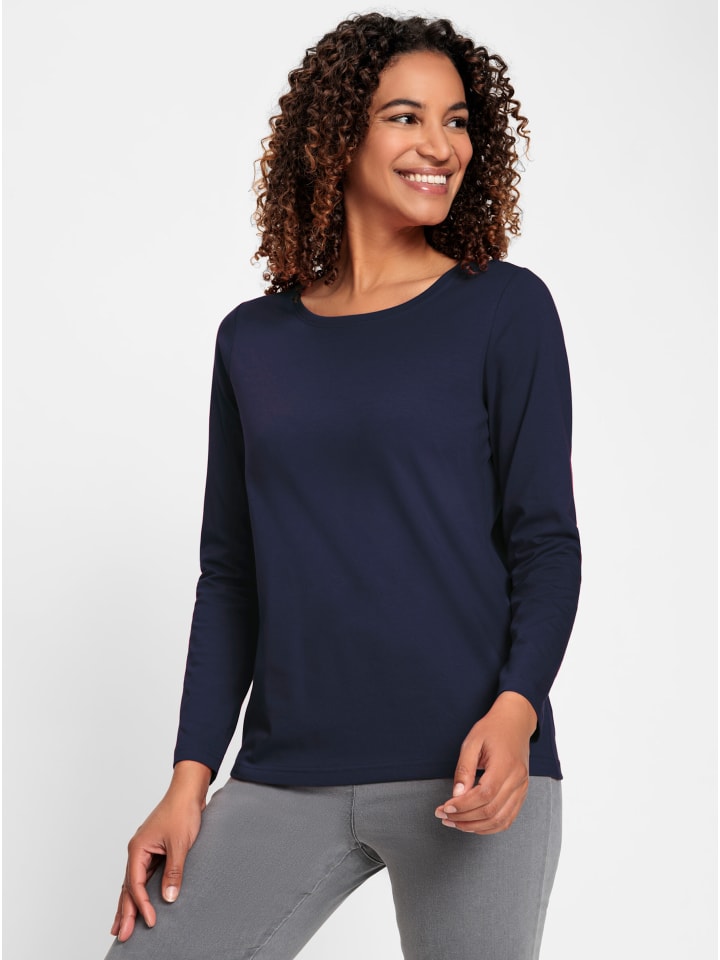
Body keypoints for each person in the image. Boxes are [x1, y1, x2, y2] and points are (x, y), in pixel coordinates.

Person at [106, 13, 581, 960]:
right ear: (336, 137)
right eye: (406, 117)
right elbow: (231, 575)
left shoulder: (504, 309)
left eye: (456, 120)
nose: (439, 145)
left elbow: (545, 542)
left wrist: (518, 709)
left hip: (472, 768)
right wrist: (189, 780)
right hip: (287, 771)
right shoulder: (254, 340)